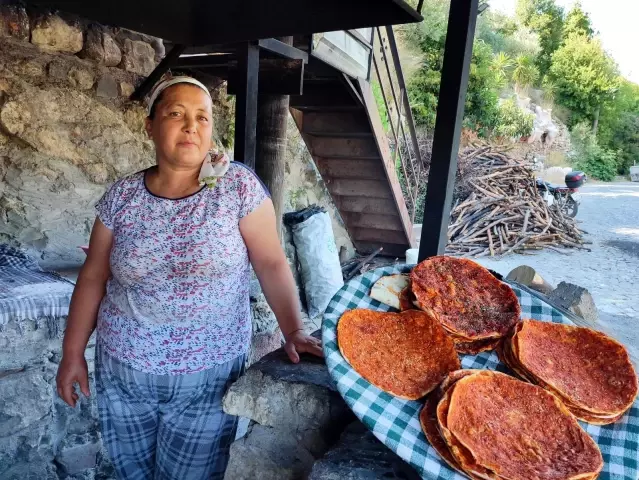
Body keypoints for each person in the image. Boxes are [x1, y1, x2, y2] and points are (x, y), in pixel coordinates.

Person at [56, 74, 323, 480]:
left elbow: (271, 263)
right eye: (175, 113)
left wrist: (294, 330)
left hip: (208, 375)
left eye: (202, 117)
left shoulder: (238, 189)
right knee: (131, 474)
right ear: (150, 125)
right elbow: (93, 277)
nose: (191, 126)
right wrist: (72, 354)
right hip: (123, 371)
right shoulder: (121, 198)